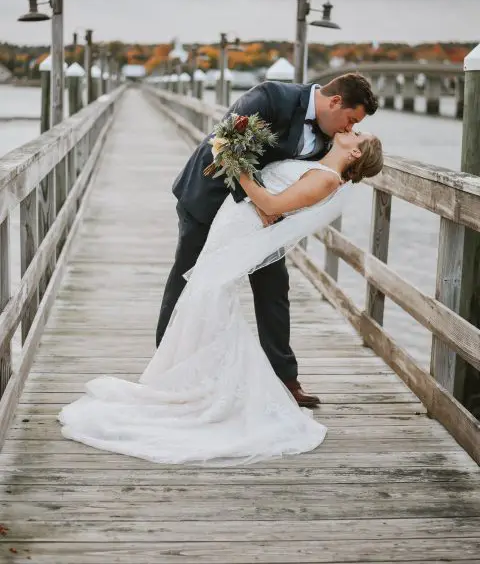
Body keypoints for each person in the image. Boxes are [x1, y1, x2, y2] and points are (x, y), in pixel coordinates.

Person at [59, 128, 383, 466]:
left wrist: (236, 164)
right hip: (233, 223)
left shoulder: (328, 180)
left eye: (357, 133)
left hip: (240, 231)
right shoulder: (319, 162)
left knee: (210, 301)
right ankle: (193, 382)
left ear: (356, 154)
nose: (351, 129)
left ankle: (206, 389)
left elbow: (272, 204)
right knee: (205, 300)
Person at [156, 73, 378, 406]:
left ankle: (285, 379)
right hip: (211, 198)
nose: (349, 129)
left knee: (274, 287)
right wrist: (258, 203)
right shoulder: (271, 97)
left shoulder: (333, 139)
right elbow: (225, 144)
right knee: (188, 278)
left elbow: (313, 181)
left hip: (263, 220)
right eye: (351, 119)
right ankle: (165, 365)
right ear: (334, 102)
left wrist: (271, 208)